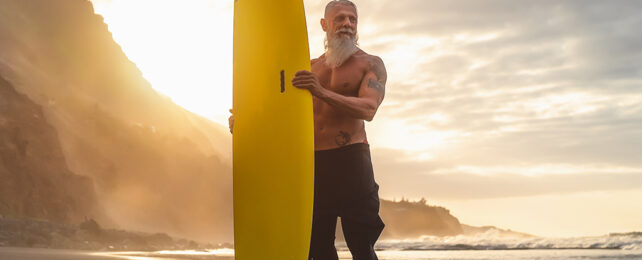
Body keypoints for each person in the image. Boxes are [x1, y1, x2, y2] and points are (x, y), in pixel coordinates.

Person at [229, 1, 386, 259]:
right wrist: (246, 127)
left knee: (361, 241)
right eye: (340, 19)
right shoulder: (309, 68)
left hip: (352, 160)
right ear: (325, 25)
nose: (347, 24)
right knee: (316, 244)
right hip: (313, 165)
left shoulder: (370, 64)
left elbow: (369, 108)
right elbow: (281, 115)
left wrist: (320, 92)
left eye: (352, 19)